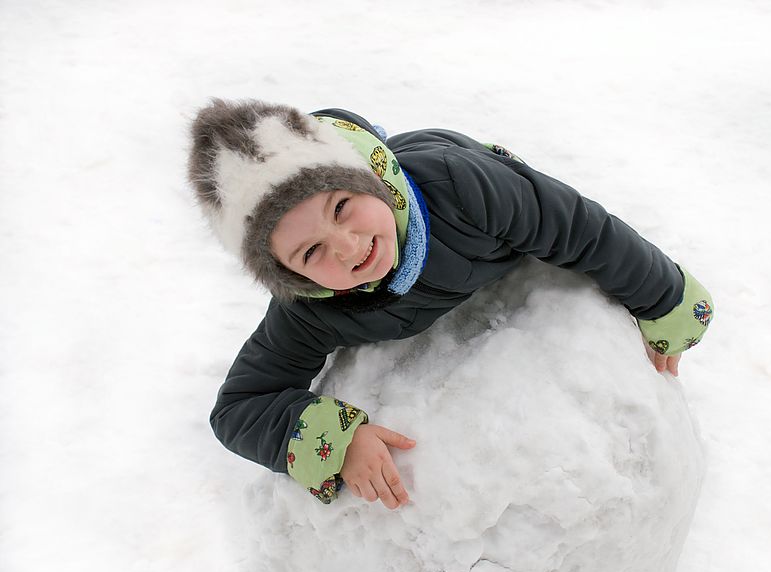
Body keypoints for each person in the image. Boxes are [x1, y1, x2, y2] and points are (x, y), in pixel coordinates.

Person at [187, 98, 714, 510]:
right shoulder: (309, 311)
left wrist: (662, 298)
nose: (347, 247)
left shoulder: (465, 190)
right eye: (311, 250)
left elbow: (578, 228)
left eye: (343, 207)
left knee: (518, 196)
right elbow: (238, 407)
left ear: (369, 180)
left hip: (460, 166)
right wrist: (336, 443)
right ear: (291, 276)